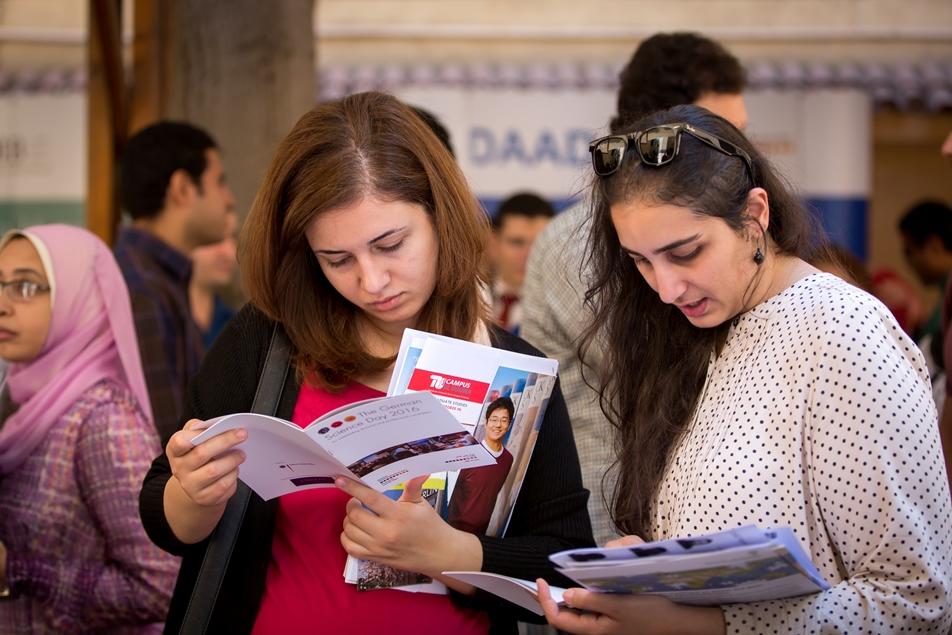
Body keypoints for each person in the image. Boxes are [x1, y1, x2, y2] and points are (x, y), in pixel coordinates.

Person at [138, 92, 593, 634]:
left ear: (441, 217)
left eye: (391, 244)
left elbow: (565, 569)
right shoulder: (266, 342)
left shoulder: (515, 374)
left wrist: (452, 553)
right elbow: (165, 516)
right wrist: (193, 494)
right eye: (337, 260)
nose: (372, 281)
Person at [535, 104, 952, 633]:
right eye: (641, 261)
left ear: (755, 215)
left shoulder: (840, 329)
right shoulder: (701, 334)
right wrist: (652, 573)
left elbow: (917, 602)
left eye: (685, 252)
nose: (666, 289)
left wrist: (699, 625)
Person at [521, 31, 748, 545]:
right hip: (611, 524)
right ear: (669, 133)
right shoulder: (581, 240)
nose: (741, 154)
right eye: (724, 136)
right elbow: (675, 375)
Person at [0, 224, 179, 632]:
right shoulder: (22, 400)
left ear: (78, 299)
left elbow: (160, 586)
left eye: (25, 287)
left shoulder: (105, 419)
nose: (3, 304)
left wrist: (19, 570)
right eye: (0, 284)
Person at [114, 121, 236, 442]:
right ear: (182, 188)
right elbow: (166, 443)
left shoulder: (155, 277)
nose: (229, 199)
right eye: (220, 182)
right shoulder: (142, 288)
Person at [448, 397, 515, 534]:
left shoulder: (508, 459)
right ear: (486, 422)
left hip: (481, 534)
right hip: (455, 531)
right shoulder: (469, 454)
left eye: (504, 420)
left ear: (509, 425)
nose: (498, 425)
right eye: (494, 419)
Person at [489, 193, 555, 334]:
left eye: (539, 244)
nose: (529, 255)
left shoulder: (562, 313)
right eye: (517, 242)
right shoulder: (469, 298)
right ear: (494, 243)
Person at [190, 211, 238, 349]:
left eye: (233, 238)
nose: (230, 253)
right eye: (216, 239)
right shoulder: (159, 316)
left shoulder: (237, 326)